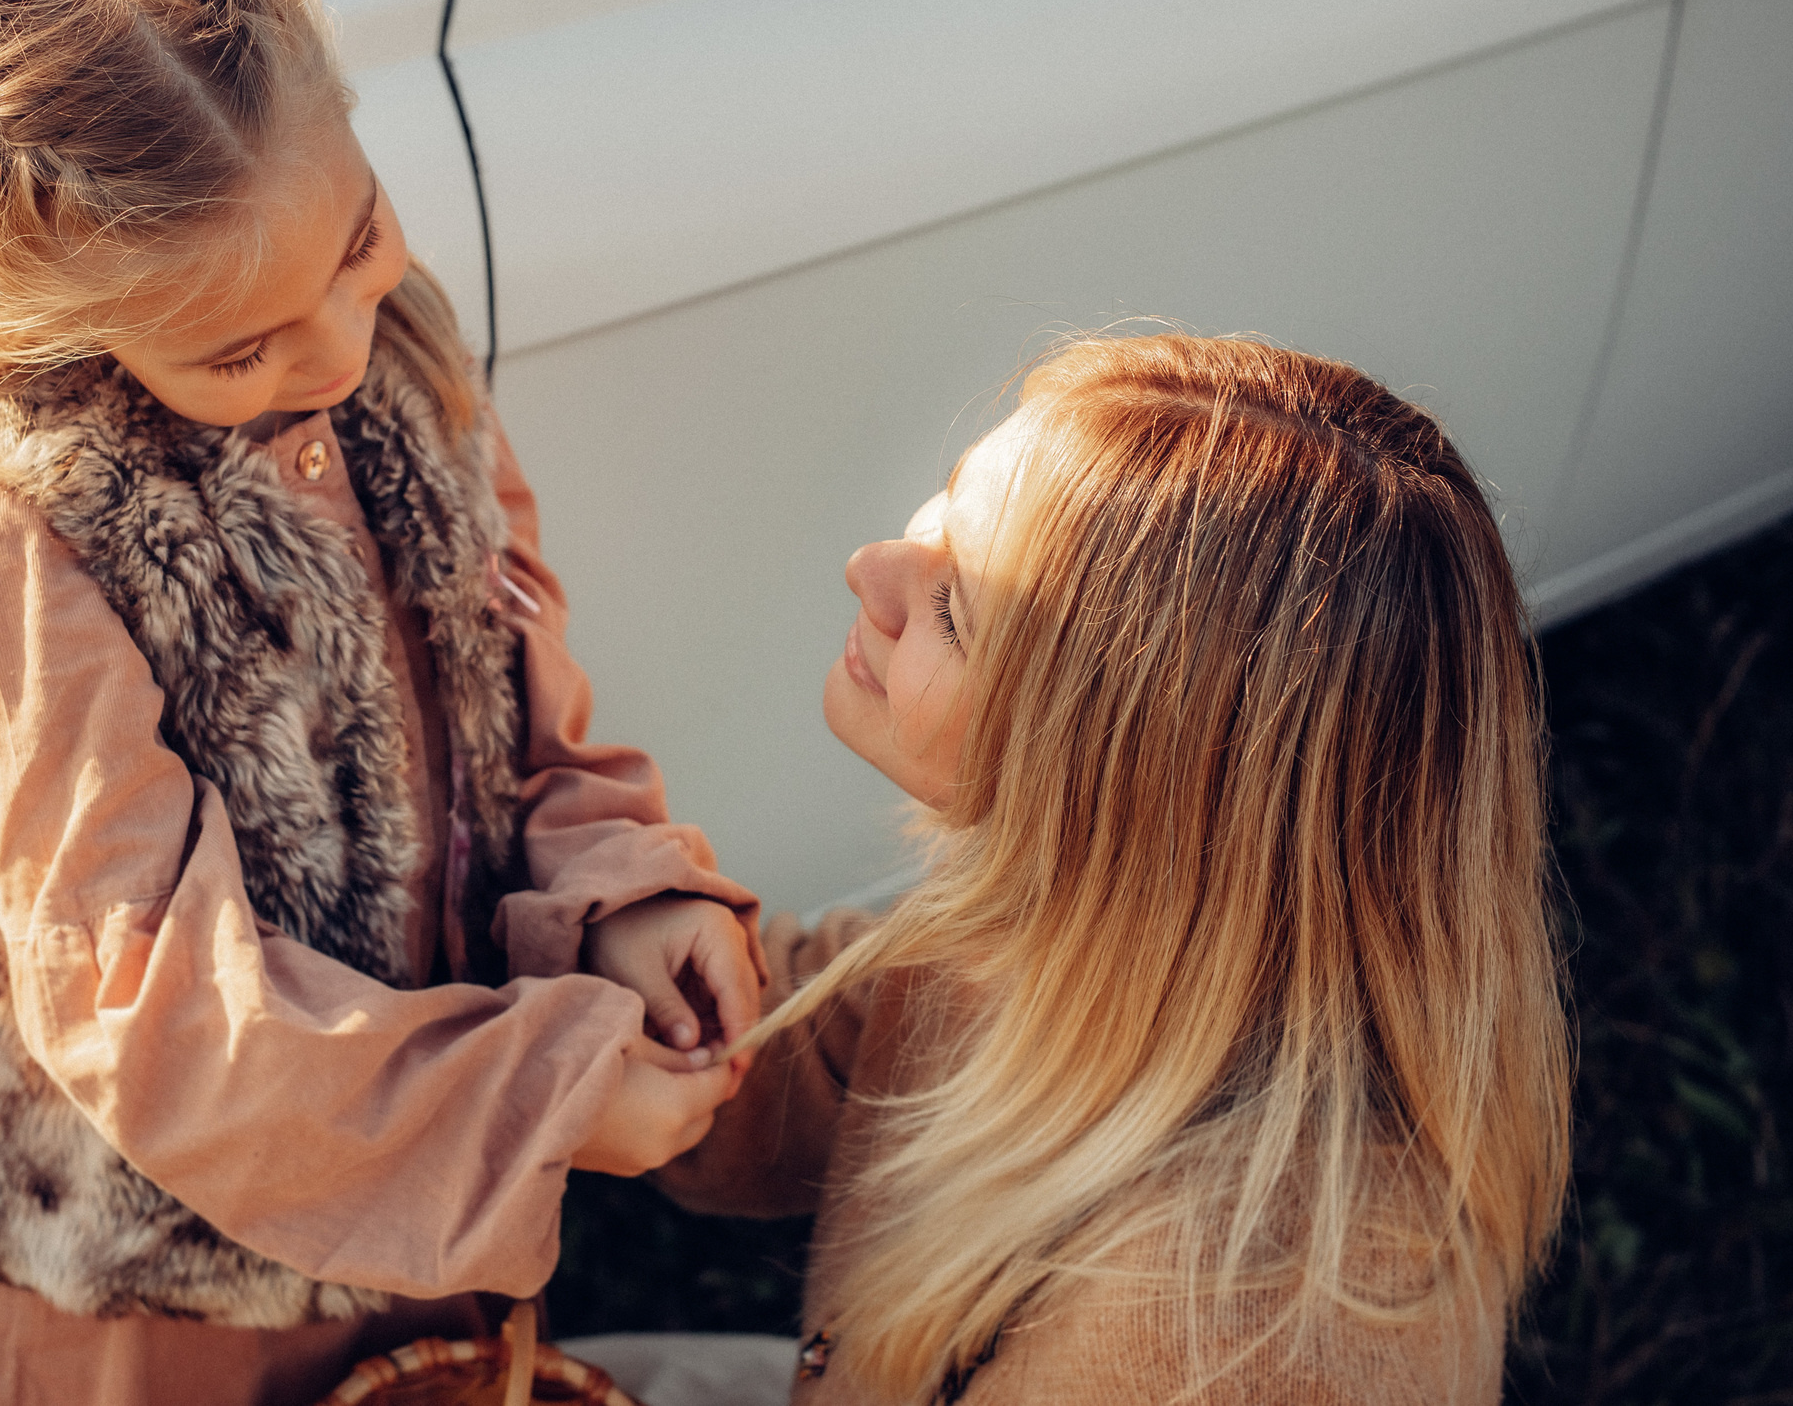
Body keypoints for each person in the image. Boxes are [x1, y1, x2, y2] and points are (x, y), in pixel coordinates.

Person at [0, 0, 763, 1406]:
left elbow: (527, 728)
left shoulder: (396, 354)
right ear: (60, 315)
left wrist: (622, 899)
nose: (335, 346)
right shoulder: (7, 520)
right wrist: (535, 1099)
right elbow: (145, 1004)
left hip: (428, 1195)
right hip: (167, 1295)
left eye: (361, 240)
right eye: (240, 349)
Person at [650, 334, 1569, 1405]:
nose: (870, 569)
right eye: (948, 505)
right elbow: (773, 1054)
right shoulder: (1062, 928)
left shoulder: (1232, 1347)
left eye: (954, 612)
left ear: (1126, 781)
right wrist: (619, 943)